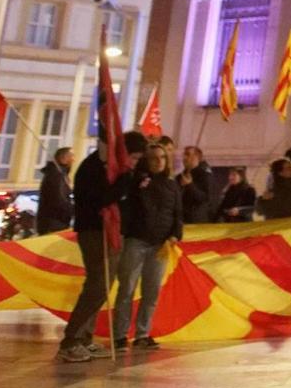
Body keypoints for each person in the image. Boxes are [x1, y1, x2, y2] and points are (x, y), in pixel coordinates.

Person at [112, 133, 184, 350]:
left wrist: (174, 235)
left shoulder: (172, 186)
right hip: (136, 240)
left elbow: (178, 214)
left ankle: (143, 333)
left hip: (161, 244)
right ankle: (120, 334)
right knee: (127, 288)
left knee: (151, 291)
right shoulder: (135, 182)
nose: (158, 161)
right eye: (153, 158)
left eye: (162, 157)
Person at [57, 136, 114, 362]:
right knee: (97, 284)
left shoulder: (100, 167)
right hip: (93, 230)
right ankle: (71, 340)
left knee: (101, 285)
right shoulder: (93, 168)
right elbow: (100, 199)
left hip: (101, 231)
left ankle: (84, 338)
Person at [38, 146, 75, 234]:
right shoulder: (56, 176)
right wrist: (75, 211)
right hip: (54, 224)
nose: (74, 159)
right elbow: (59, 200)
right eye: (72, 156)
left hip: (56, 222)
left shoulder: (60, 174)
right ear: (64, 158)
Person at [177, 145, 214, 225]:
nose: (184, 157)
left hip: (196, 221)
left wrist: (190, 185)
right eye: (184, 154)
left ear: (196, 157)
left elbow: (206, 199)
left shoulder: (205, 175)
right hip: (181, 219)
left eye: (187, 154)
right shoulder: (180, 176)